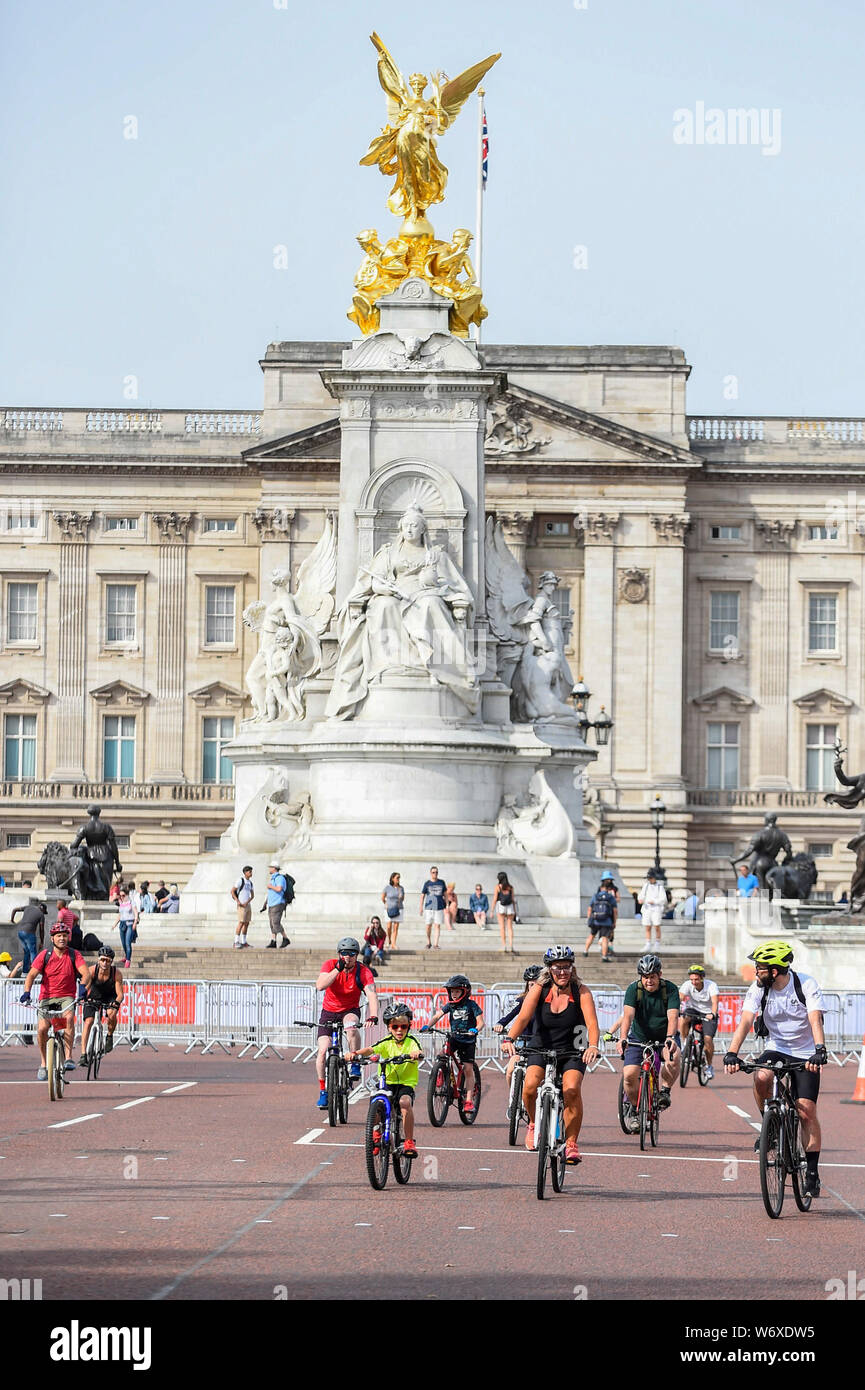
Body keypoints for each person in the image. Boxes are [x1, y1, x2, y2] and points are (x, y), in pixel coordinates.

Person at [724, 940, 826, 1198]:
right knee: (761, 1076)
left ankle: (812, 1172)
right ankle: (769, 1125)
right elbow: (746, 1020)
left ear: (776, 970)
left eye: (760, 967)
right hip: (776, 1046)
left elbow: (815, 1018)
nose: (756, 971)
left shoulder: (805, 984)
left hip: (805, 1052)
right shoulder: (758, 988)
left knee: (806, 1111)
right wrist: (732, 1053)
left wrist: (820, 1049)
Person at [502, 945, 600, 1165]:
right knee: (529, 1086)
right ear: (550, 969)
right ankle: (534, 1124)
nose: (562, 972)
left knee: (571, 1089)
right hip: (541, 1046)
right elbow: (523, 1018)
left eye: (566, 967)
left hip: (573, 1049)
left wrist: (593, 1045)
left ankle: (572, 1144)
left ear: (572, 968)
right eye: (558, 968)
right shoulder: (540, 988)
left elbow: (592, 1023)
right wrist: (509, 1039)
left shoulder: (581, 991)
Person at [348, 1003, 423, 1156]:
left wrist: (416, 1054)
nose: (399, 1030)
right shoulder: (386, 1042)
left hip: (405, 1083)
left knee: (405, 1103)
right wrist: (355, 1053)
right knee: (376, 1100)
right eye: (395, 1027)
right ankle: (375, 1133)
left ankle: (409, 1141)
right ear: (389, 1028)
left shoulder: (411, 1041)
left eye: (403, 1026)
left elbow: (418, 1050)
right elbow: (371, 1049)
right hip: (387, 1082)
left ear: (409, 1025)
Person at [19, 922, 91, 1080]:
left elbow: (86, 973)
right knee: (42, 1029)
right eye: (58, 936)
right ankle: (44, 1063)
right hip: (46, 997)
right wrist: (26, 992)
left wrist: (83, 988)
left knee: (69, 1018)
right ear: (52, 938)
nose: (62, 938)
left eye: (65, 935)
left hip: (67, 997)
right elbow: (31, 975)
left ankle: (68, 1057)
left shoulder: (74, 954)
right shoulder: (45, 955)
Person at [314, 937, 379, 1110]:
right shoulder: (330, 965)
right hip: (328, 1011)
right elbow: (320, 985)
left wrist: (373, 1015)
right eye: (343, 954)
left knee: (351, 1027)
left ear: (356, 956)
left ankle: (355, 1061)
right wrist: (337, 970)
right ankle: (323, 1091)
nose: (347, 958)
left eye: (351, 954)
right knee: (322, 1051)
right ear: (338, 954)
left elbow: (371, 994)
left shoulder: (363, 971)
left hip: (349, 1010)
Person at [618, 953, 680, 1132]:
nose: (649, 981)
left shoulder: (670, 989)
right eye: (645, 977)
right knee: (629, 1075)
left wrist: (670, 1038)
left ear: (659, 975)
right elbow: (628, 1016)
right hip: (639, 1037)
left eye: (652, 976)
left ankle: (665, 1092)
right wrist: (623, 1037)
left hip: (664, 1036)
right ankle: (635, 1111)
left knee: (674, 1057)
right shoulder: (633, 990)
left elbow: (672, 1016)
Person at [424, 974, 484, 1115]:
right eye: (452, 991)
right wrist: (428, 1025)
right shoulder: (450, 1005)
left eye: (457, 991)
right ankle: (440, 1075)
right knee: (442, 1054)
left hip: (468, 1039)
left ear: (465, 992)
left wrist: (475, 1029)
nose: (454, 994)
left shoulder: (472, 1005)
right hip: (455, 1037)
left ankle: (468, 1101)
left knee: (468, 1069)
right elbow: (437, 1015)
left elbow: (481, 1022)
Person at [494, 963, 542, 1100]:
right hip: (522, 1043)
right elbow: (509, 1015)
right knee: (510, 1071)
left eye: (536, 984)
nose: (533, 987)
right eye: (530, 984)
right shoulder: (522, 999)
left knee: (539, 1078)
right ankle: (514, 1099)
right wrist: (500, 1024)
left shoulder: (547, 1002)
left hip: (540, 1044)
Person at [79, 946, 124, 1064]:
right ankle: (83, 1054)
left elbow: (120, 994)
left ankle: (109, 1036)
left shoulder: (116, 973)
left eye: (108, 960)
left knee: (111, 1013)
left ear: (111, 962)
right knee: (88, 1021)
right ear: (98, 960)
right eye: (103, 960)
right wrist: (82, 996)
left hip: (110, 995)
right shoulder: (92, 970)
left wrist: (116, 1003)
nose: (105, 963)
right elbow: (87, 986)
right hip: (94, 994)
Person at [678, 964, 720, 1079]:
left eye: (696, 979)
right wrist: (675, 1009)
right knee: (684, 1017)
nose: (694, 982)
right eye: (692, 979)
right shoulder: (687, 985)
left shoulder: (711, 986)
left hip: (708, 1013)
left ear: (702, 978)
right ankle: (685, 1043)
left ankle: (709, 1066)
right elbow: (679, 997)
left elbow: (715, 1002)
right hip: (694, 1010)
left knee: (707, 1039)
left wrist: (713, 1014)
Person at [583, 880, 617, 962]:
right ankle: (604, 957)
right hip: (607, 921)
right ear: (608, 889)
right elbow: (615, 911)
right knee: (605, 938)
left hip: (595, 920)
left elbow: (589, 908)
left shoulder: (595, 896)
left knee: (591, 935)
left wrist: (589, 918)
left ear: (601, 888)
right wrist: (614, 922)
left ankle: (585, 951)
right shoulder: (610, 897)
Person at [11, 898, 47, 973]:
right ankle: (35, 972)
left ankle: (25, 972)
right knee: (33, 952)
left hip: (20, 932)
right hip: (29, 934)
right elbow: (41, 929)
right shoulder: (41, 915)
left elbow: (14, 909)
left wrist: (12, 920)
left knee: (27, 952)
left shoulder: (28, 907)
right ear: (43, 910)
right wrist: (42, 942)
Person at [637, 870, 667, 949]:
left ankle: (657, 943)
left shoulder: (659, 887)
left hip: (656, 909)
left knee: (657, 925)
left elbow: (663, 899)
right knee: (647, 926)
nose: (649, 880)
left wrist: (654, 901)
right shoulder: (646, 886)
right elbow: (641, 896)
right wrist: (641, 899)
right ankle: (648, 943)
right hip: (647, 908)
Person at [265, 862, 291, 947]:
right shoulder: (273, 878)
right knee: (272, 923)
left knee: (276, 922)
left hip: (278, 903)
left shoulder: (280, 878)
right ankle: (273, 941)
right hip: (272, 903)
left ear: (274, 868)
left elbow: (279, 889)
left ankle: (285, 938)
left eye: (271, 867)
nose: (269, 869)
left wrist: (270, 887)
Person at [420, 867, 446, 950]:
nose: (435, 874)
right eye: (433, 872)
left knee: (437, 925)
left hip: (439, 907)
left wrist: (448, 905)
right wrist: (421, 907)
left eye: (436, 872)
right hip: (429, 907)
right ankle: (428, 942)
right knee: (428, 926)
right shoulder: (427, 883)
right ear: (430, 873)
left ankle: (436, 944)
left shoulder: (441, 882)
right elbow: (422, 895)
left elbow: (445, 894)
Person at [492, 870, 517, 954]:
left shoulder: (498, 887)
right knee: (510, 927)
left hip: (501, 907)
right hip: (510, 907)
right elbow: (513, 899)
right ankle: (511, 945)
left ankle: (504, 945)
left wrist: (492, 910)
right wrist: (515, 910)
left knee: (502, 927)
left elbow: (495, 899)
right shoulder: (511, 887)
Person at [112, 887, 139, 967]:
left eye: (123, 895)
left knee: (127, 943)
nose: (122, 897)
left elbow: (136, 913)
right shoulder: (121, 903)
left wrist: (135, 923)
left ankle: (128, 960)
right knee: (123, 943)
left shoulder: (131, 902)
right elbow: (120, 915)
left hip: (129, 923)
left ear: (127, 895)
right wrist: (115, 924)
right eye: (120, 896)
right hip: (122, 924)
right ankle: (126, 956)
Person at [231, 866, 254, 949]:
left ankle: (244, 942)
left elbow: (252, 895)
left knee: (246, 923)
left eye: (251, 872)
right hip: (241, 905)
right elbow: (232, 891)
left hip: (247, 905)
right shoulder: (240, 880)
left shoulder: (250, 883)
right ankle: (236, 941)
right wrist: (238, 901)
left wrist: (247, 902)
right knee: (241, 922)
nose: (251, 873)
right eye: (250, 872)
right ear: (245, 872)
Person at [381, 871, 404, 950]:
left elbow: (403, 899)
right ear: (392, 878)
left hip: (398, 908)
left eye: (399, 878)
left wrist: (401, 896)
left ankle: (394, 943)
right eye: (397, 878)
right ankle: (389, 940)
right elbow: (383, 897)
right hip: (389, 909)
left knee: (396, 927)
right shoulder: (387, 887)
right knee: (388, 926)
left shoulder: (401, 888)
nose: (398, 879)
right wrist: (386, 904)